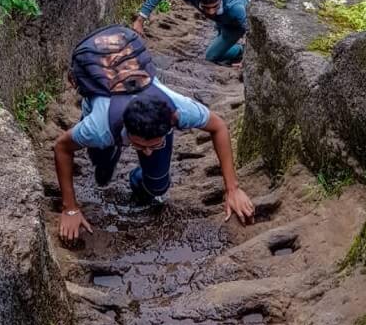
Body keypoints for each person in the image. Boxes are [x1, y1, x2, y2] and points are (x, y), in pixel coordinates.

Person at [54, 25, 255, 242]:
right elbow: (62, 147)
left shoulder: (178, 109)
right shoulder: (99, 127)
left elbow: (218, 126)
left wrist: (232, 189)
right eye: (140, 146)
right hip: (104, 104)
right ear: (126, 130)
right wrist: (70, 208)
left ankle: (136, 179)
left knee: (158, 186)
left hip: (136, 105)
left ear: (171, 124)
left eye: (155, 144)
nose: (147, 152)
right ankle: (109, 156)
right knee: (101, 163)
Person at [133, 0, 249, 64]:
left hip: (237, 25)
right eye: (206, 7)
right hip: (222, 21)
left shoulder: (236, 7)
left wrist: (247, 60)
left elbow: (254, 34)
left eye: (215, 6)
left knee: (211, 56)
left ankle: (240, 51)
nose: (210, 12)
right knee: (219, 36)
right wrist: (140, 21)